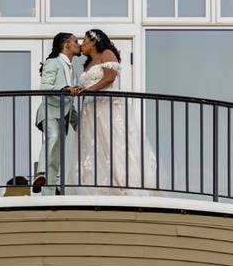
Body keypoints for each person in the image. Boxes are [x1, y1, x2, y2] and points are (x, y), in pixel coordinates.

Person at [70, 29, 156, 193]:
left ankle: (122, 186)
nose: (82, 44)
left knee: (115, 144)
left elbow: (109, 78)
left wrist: (88, 91)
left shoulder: (107, 53)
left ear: (94, 41)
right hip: (91, 110)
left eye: (85, 41)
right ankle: (97, 187)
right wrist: (79, 89)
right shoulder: (87, 63)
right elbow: (87, 85)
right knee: (93, 148)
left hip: (107, 107)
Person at [33, 32, 80, 195]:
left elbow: (69, 101)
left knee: (55, 157)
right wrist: (64, 89)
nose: (79, 44)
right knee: (52, 138)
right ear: (66, 44)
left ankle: (49, 193)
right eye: (76, 41)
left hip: (64, 116)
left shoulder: (71, 68)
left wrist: (78, 123)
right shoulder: (52, 62)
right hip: (50, 112)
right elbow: (45, 87)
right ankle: (40, 173)